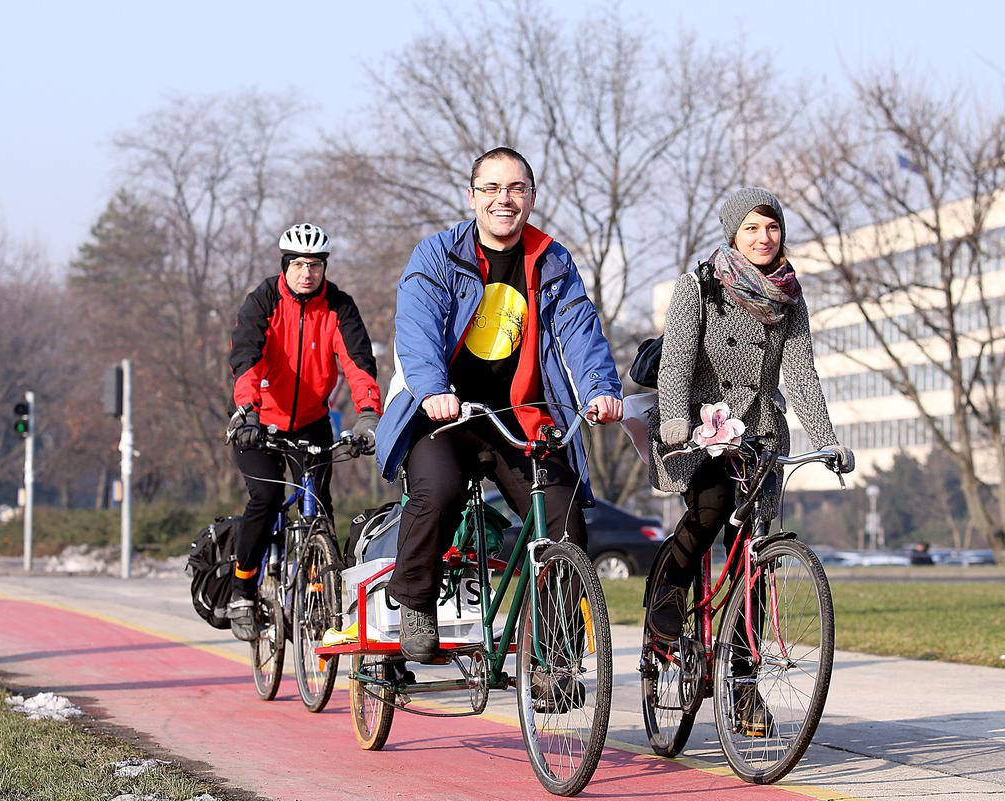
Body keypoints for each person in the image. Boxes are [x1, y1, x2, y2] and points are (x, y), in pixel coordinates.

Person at [374, 147, 623, 663]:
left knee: (564, 521)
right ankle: (415, 600)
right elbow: (416, 330)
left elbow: (580, 330)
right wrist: (431, 389)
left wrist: (601, 388)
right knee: (437, 492)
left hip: (520, 418)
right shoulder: (439, 255)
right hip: (445, 415)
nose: (502, 200)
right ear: (472, 196)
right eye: (490, 188)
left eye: (515, 189)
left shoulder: (552, 259)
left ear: (531, 197)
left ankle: (556, 656)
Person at [645, 187, 854, 732]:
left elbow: (802, 371)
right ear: (733, 233)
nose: (764, 239)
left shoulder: (789, 295)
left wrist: (826, 437)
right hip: (702, 428)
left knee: (755, 561)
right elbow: (676, 362)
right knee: (711, 507)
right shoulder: (701, 286)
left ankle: (742, 685)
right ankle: (667, 596)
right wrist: (675, 421)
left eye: (773, 228)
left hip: (761, 435)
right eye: (752, 229)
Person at [225, 223, 382, 642]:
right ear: (285, 265)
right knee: (267, 498)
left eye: (315, 265)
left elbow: (358, 363)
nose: (307, 273)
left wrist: (369, 414)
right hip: (257, 420)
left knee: (320, 505)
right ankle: (242, 590)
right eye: (298, 264)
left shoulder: (339, 306)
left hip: (311, 421)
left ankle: (320, 591)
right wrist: (247, 411)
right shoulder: (263, 301)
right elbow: (246, 357)